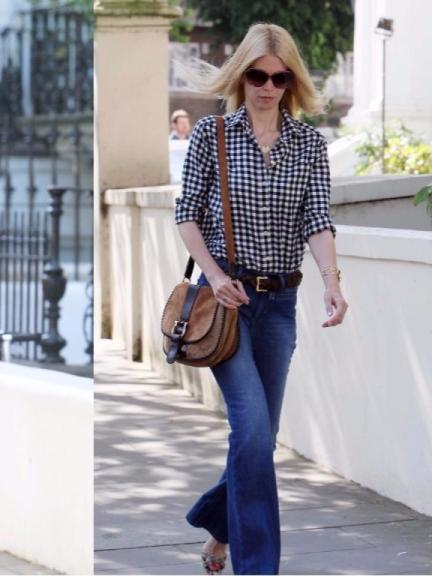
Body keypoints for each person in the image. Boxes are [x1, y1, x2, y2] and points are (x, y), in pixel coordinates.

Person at [174, 23, 348, 575]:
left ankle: (218, 524)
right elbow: (187, 215)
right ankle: (259, 567)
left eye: (279, 77)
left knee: (260, 441)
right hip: (226, 302)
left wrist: (332, 282)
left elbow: (317, 219)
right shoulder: (213, 135)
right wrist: (211, 274)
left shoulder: (309, 144)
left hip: (280, 305)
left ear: (291, 81)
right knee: (249, 431)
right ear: (241, 76)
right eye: (257, 75)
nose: (267, 86)